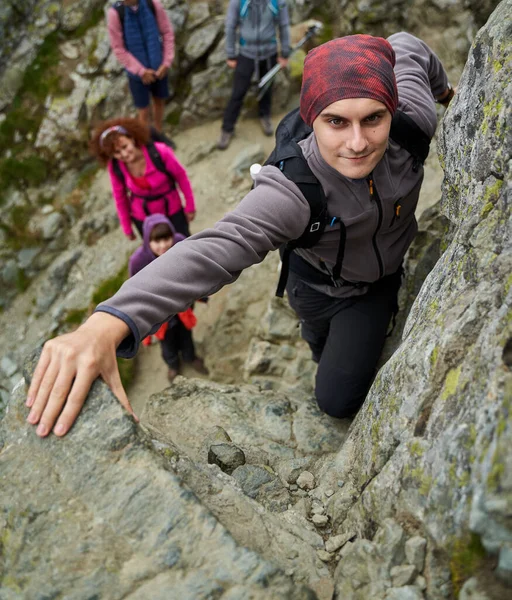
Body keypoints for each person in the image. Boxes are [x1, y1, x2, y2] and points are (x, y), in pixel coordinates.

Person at [26, 32, 455, 438]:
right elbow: (216, 248)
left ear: (392, 106)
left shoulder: (411, 122)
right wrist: (107, 323)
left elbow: (408, 47)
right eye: (336, 122)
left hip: (375, 288)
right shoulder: (295, 191)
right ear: (312, 118)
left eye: (374, 118)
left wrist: (446, 93)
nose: (358, 142)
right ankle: (321, 350)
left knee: (336, 399)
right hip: (312, 286)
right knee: (318, 342)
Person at [129, 213, 209, 382]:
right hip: (159, 314)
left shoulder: (180, 243)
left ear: (173, 235)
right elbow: (134, 292)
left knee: (186, 334)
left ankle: (190, 357)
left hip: (182, 305)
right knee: (167, 343)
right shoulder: (138, 262)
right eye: (157, 241)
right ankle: (173, 365)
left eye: (167, 239)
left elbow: (193, 270)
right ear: (147, 241)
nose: (163, 245)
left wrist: (202, 295)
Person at [90, 117, 196, 239]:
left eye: (125, 147)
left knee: (184, 246)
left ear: (132, 139)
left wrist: (190, 205)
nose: (124, 154)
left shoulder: (160, 152)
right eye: (117, 152)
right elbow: (120, 197)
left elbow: (181, 177)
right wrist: (127, 227)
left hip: (172, 210)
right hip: (144, 219)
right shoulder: (115, 168)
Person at [217, 0, 291, 150]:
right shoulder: (238, 2)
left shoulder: (277, 2)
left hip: (269, 52)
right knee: (238, 92)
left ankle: (265, 116)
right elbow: (230, 26)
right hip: (246, 53)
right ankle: (227, 128)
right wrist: (231, 54)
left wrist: (284, 53)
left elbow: (284, 25)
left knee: (267, 88)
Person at [107, 0, 174, 132]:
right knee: (143, 111)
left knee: (159, 102)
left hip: (159, 67)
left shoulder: (152, 4)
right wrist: (140, 71)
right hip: (137, 75)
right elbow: (118, 48)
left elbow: (167, 32)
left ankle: (159, 134)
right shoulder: (115, 13)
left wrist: (166, 62)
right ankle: (147, 142)